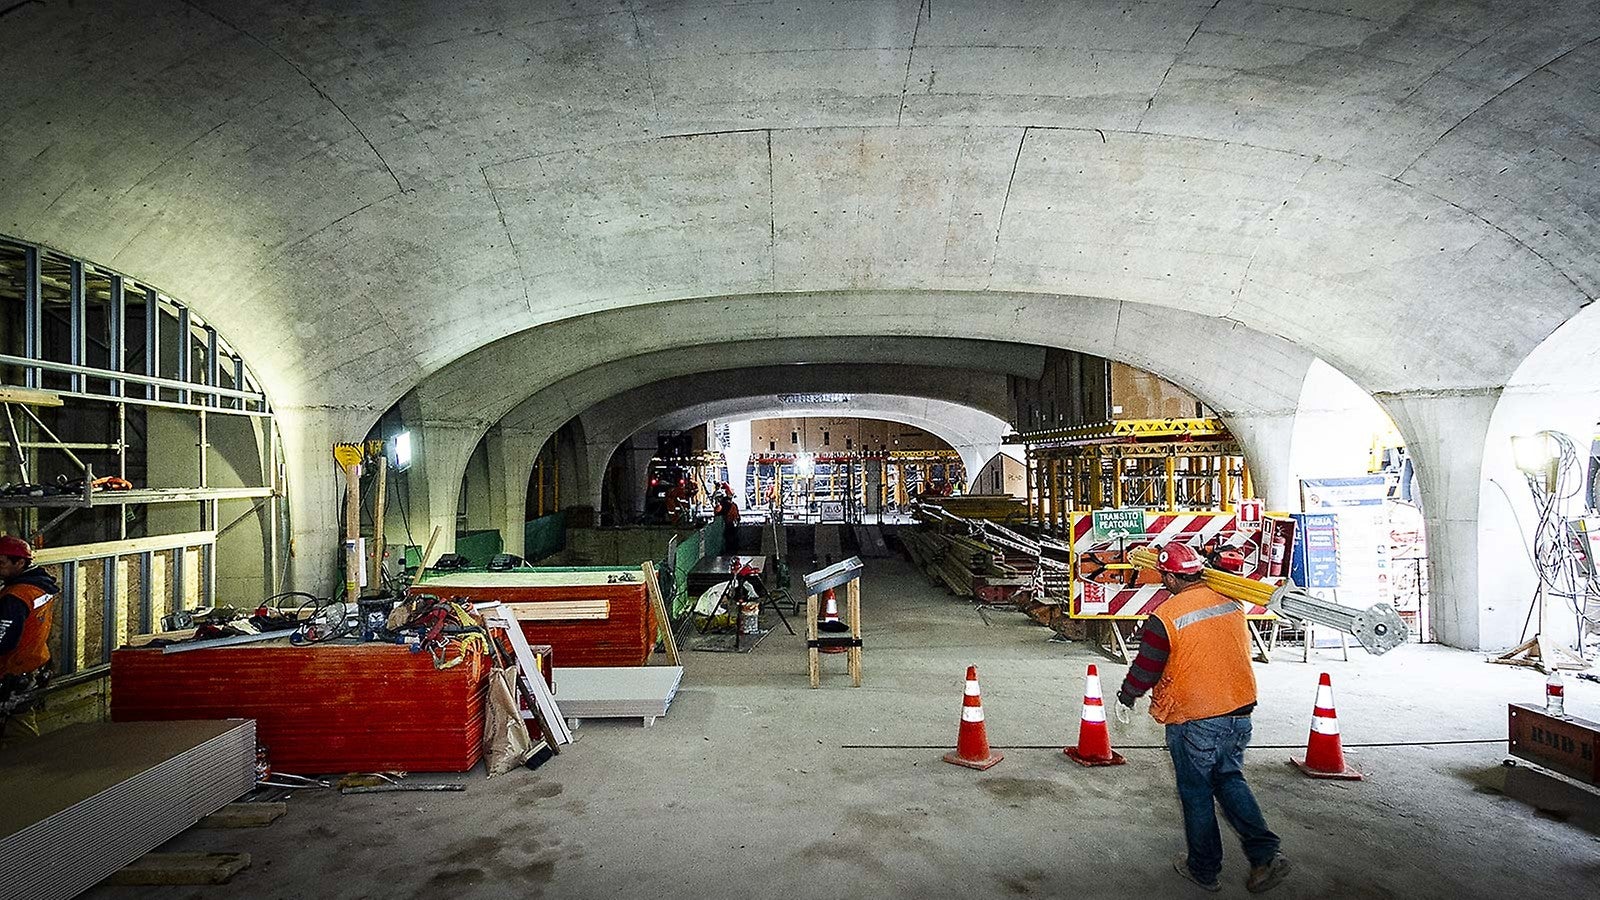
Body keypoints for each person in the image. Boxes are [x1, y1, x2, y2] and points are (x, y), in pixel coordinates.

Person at [1115, 542, 1290, 894]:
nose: (1163, 582)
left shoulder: (1167, 616)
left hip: (1195, 716)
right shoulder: (1230, 601)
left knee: (1196, 792)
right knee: (1229, 779)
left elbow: (1147, 668)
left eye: (1164, 577)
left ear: (1170, 576)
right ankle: (1264, 857)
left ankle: (1204, 869)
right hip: (1239, 711)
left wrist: (1127, 696)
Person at [0, 536, 60, 721]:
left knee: (18, 728)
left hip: (13, 671)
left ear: (19, 563)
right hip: (35, 663)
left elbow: (3, 641)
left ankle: (36, 751)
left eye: (1, 563)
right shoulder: (40, 586)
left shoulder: (16, 596)